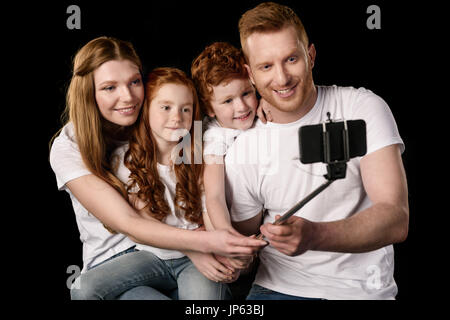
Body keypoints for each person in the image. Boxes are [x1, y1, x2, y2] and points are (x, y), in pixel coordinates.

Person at [49, 37, 266, 299]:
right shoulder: (78, 148)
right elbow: (130, 222)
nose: (127, 96)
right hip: (130, 257)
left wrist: (265, 102)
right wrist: (209, 243)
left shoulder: (184, 134)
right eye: (109, 87)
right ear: (88, 93)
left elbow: (211, 189)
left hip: (185, 253)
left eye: (134, 82)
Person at [225, 2, 409, 300]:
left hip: (359, 292)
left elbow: (395, 218)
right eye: (266, 67)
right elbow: (244, 240)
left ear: (310, 55)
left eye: (292, 59)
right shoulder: (243, 146)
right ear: (250, 74)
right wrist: (237, 257)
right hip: (275, 289)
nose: (282, 78)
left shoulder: (361, 108)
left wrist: (314, 235)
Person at [191, 41, 271, 274]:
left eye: (247, 93)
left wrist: (266, 99)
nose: (242, 106)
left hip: (261, 213)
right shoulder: (214, 137)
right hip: (227, 222)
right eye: (228, 101)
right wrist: (227, 235)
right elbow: (214, 196)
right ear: (210, 108)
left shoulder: (257, 111)